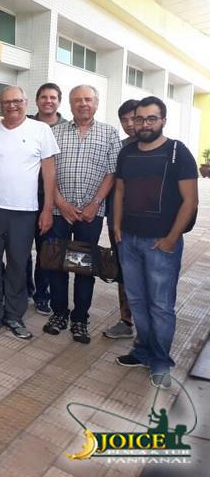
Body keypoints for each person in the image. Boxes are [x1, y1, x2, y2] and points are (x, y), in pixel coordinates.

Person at [114, 96, 198, 389]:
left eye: (151, 118)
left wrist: (171, 238)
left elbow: (190, 201)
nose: (144, 124)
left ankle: (161, 361)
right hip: (129, 241)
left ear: (163, 121)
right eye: (139, 119)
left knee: (161, 305)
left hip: (161, 244)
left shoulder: (177, 152)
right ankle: (142, 351)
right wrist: (116, 226)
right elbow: (120, 192)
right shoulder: (126, 153)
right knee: (137, 301)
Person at [0, 86, 59, 339]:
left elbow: (49, 172)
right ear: (0, 105)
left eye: (17, 101)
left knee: (18, 263)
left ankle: (14, 315)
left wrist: (47, 209)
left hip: (23, 211)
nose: (12, 105)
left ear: (25, 102)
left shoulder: (40, 130)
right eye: (7, 102)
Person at [41, 84, 122, 344]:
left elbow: (112, 172)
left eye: (88, 99)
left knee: (85, 267)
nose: (83, 104)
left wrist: (95, 204)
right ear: (70, 104)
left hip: (90, 213)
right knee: (56, 264)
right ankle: (59, 313)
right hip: (59, 210)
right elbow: (48, 171)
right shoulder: (55, 132)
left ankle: (80, 319)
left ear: (96, 103)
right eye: (78, 100)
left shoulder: (109, 133)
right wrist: (60, 203)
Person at [27, 83, 68, 315]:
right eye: (44, 97)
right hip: (24, 195)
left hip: (51, 198)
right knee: (21, 247)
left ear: (59, 101)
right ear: (37, 100)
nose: (48, 101)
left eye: (53, 97)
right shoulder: (26, 124)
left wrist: (53, 201)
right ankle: (24, 288)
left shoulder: (67, 128)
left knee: (46, 249)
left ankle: (42, 295)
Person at [102, 99, 139, 340]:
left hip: (148, 225)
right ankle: (126, 320)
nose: (129, 124)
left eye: (133, 118)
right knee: (123, 271)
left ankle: (149, 325)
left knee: (147, 274)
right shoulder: (120, 147)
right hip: (118, 221)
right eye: (124, 120)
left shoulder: (163, 147)